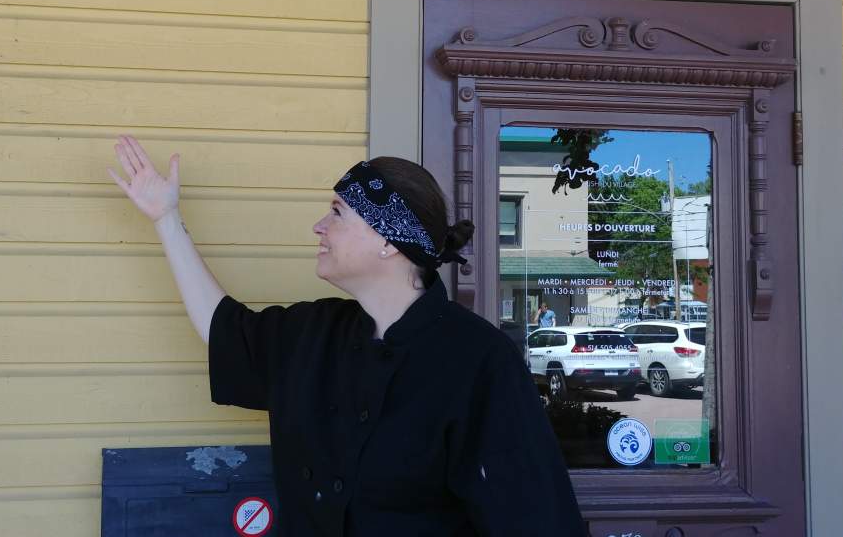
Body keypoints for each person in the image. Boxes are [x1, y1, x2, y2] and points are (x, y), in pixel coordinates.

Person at [108, 135, 585, 536]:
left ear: (387, 240)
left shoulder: (479, 361)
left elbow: (537, 518)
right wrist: (166, 220)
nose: (319, 226)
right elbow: (224, 330)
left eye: (337, 212)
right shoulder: (314, 334)